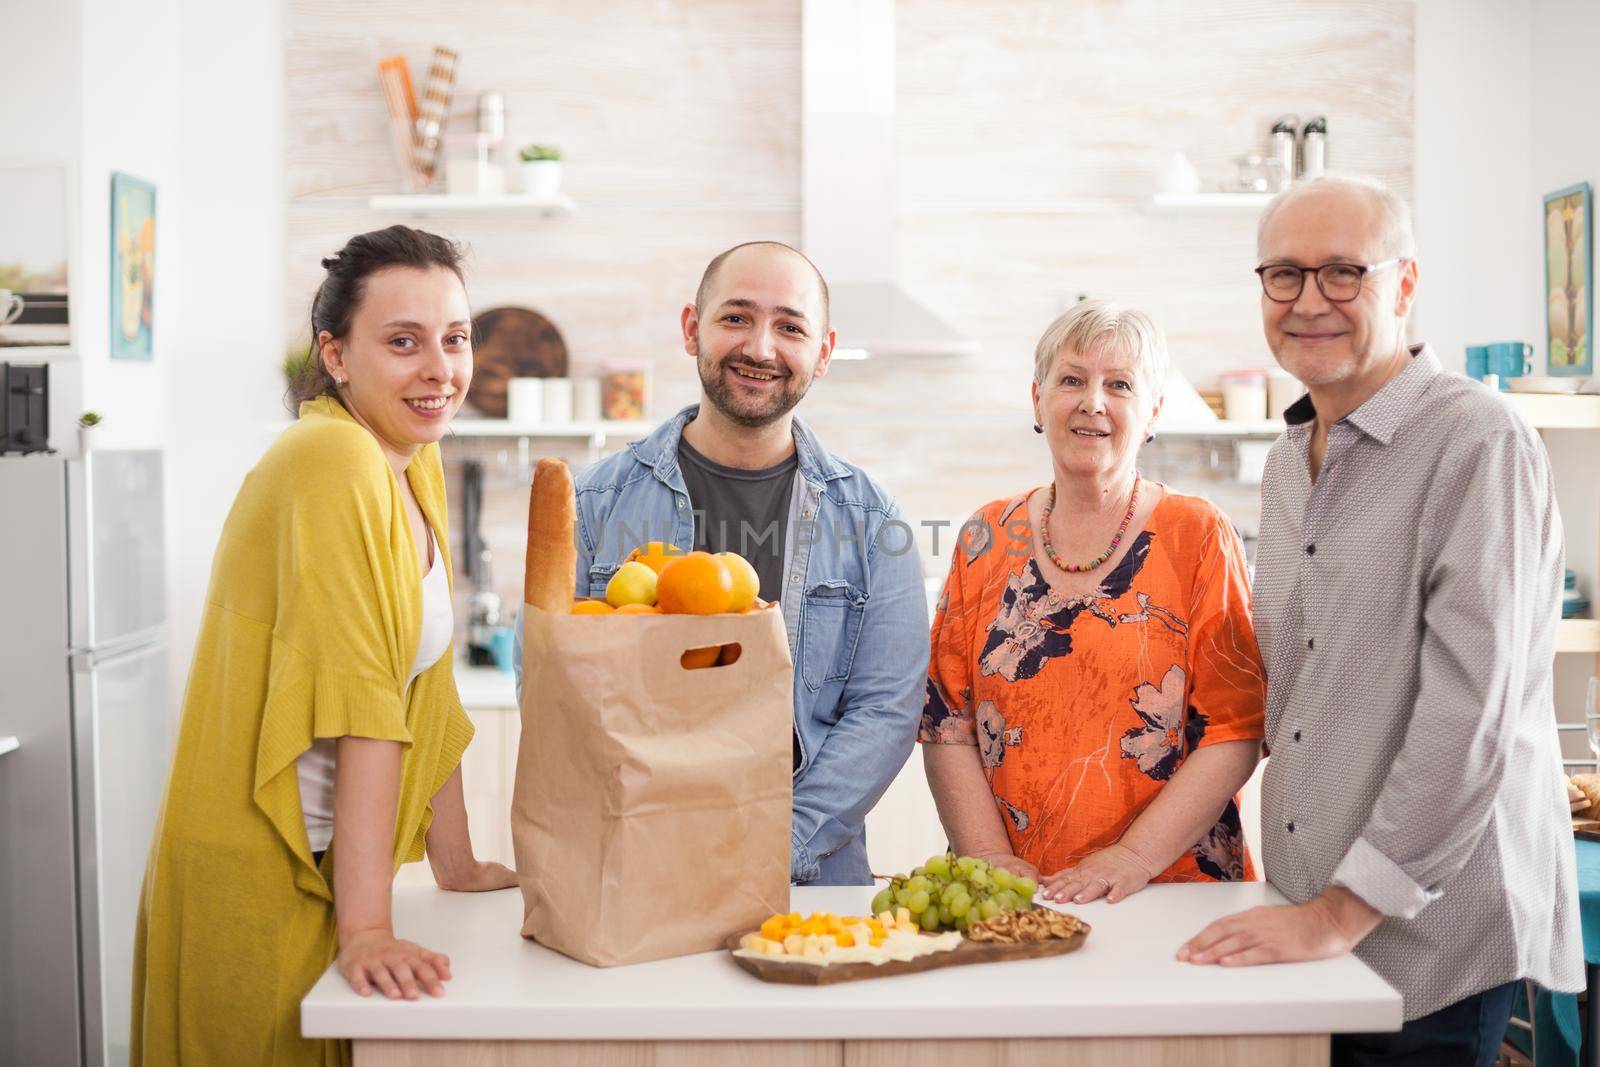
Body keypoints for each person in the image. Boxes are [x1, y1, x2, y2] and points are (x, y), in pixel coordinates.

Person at [1177, 176, 1583, 1065]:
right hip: (1304, 917)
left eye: (1343, 272)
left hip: (1422, 936)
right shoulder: (1291, 461)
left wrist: (1341, 911)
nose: (1309, 300)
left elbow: (1466, 718)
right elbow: (1300, 687)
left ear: (1403, 286)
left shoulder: (1480, 442)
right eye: (1284, 274)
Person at [132, 226, 516, 1066]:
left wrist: (456, 860)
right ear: (335, 354)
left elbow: (424, 685)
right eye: (403, 341)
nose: (439, 369)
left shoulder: (410, 461)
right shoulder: (331, 458)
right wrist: (369, 927)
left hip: (319, 871)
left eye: (455, 339)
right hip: (258, 879)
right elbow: (361, 701)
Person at [515, 240, 929, 885]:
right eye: (736, 317)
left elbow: (886, 711)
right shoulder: (594, 503)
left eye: (790, 327)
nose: (761, 348)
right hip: (629, 867)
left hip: (807, 877)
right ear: (692, 329)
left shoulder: (875, 520)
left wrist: (777, 845)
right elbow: (547, 686)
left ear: (822, 353)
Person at [920, 299, 1265, 904]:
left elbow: (1234, 728)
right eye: (1072, 379)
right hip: (1011, 892)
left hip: (1170, 889)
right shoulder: (985, 536)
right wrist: (991, 859)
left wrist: (1133, 857)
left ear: (1153, 411)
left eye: (1120, 385)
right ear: (1037, 399)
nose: (1093, 402)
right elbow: (947, 722)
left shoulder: (1199, 534)